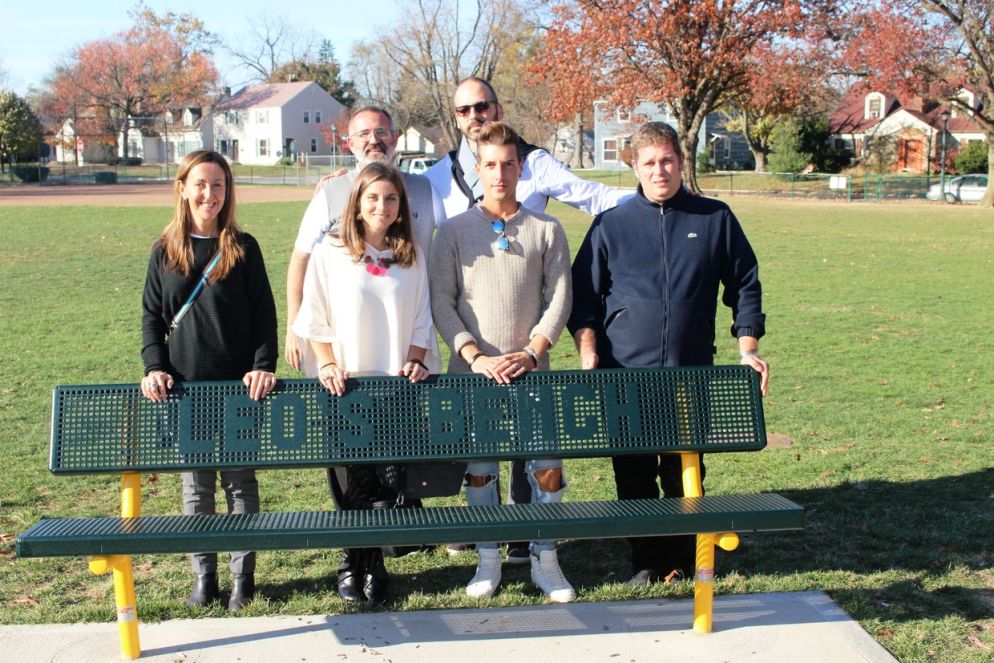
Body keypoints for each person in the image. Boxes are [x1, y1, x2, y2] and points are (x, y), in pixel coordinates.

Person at [425, 77, 632, 563]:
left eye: (482, 106)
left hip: (529, 351)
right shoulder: (440, 187)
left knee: (541, 459)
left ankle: (537, 548)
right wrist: (472, 355)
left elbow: (563, 281)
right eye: (464, 110)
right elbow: (440, 294)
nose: (474, 115)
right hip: (474, 358)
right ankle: (487, 547)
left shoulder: (541, 195)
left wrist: (648, 194)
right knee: (480, 462)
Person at [567, 121, 769, 587]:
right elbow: (584, 297)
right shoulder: (611, 225)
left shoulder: (714, 218)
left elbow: (744, 286)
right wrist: (589, 350)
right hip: (625, 376)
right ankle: (645, 559)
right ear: (634, 168)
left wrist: (748, 347)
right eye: (649, 163)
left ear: (680, 161)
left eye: (667, 161)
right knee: (634, 476)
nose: (660, 171)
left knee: (684, 474)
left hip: (688, 373)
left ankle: (683, 556)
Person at [430, 121, 575, 603]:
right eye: (490, 165)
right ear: (477, 169)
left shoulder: (546, 229)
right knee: (481, 471)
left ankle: (545, 558)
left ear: (521, 167)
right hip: (476, 377)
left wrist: (534, 350)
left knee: (548, 469)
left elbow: (559, 298)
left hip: (531, 373)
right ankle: (488, 558)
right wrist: (473, 357)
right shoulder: (451, 233)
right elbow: (442, 304)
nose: (500, 174)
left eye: (508, 164)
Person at [287, 106, 447, 529]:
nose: (374, 140)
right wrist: (300, 335)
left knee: (398, 465)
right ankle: (358, 559)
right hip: (348, 369)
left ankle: (395, 539)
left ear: (395, 137)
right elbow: (304, 270)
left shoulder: (423, 194)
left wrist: (418, 353)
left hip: (399, 366)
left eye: (382, 132)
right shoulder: (331, 203)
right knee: (353, 472)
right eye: (364, 134)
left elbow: (423, 302)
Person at [292, 161, 439, 604]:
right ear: (356, 203)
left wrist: (416, 361)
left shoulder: (410, 256)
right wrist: (327, 363)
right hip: (347, 388)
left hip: (394, 388)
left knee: (385, 482)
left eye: (391, 198)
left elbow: (421, 319)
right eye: (373, 197)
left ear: (401, 206)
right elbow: (314, 315)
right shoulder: (331, 252)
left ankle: (373, 567)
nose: (382, 205)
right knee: (352, 482)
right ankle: (351, 564)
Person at [140, 149, 278, 611]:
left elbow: (264, 316)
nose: (209, 194)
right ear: (182, 187)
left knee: (240, 484)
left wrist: (263, 365)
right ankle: (205, 574)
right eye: (200, 184)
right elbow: (150, 320)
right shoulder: (165, 249)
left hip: (238, 391)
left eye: (218, 185)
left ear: (227, 191)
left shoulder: (244, 247)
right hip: (185, 391)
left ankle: (243, 577)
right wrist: (154, 367)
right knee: (196, 488)